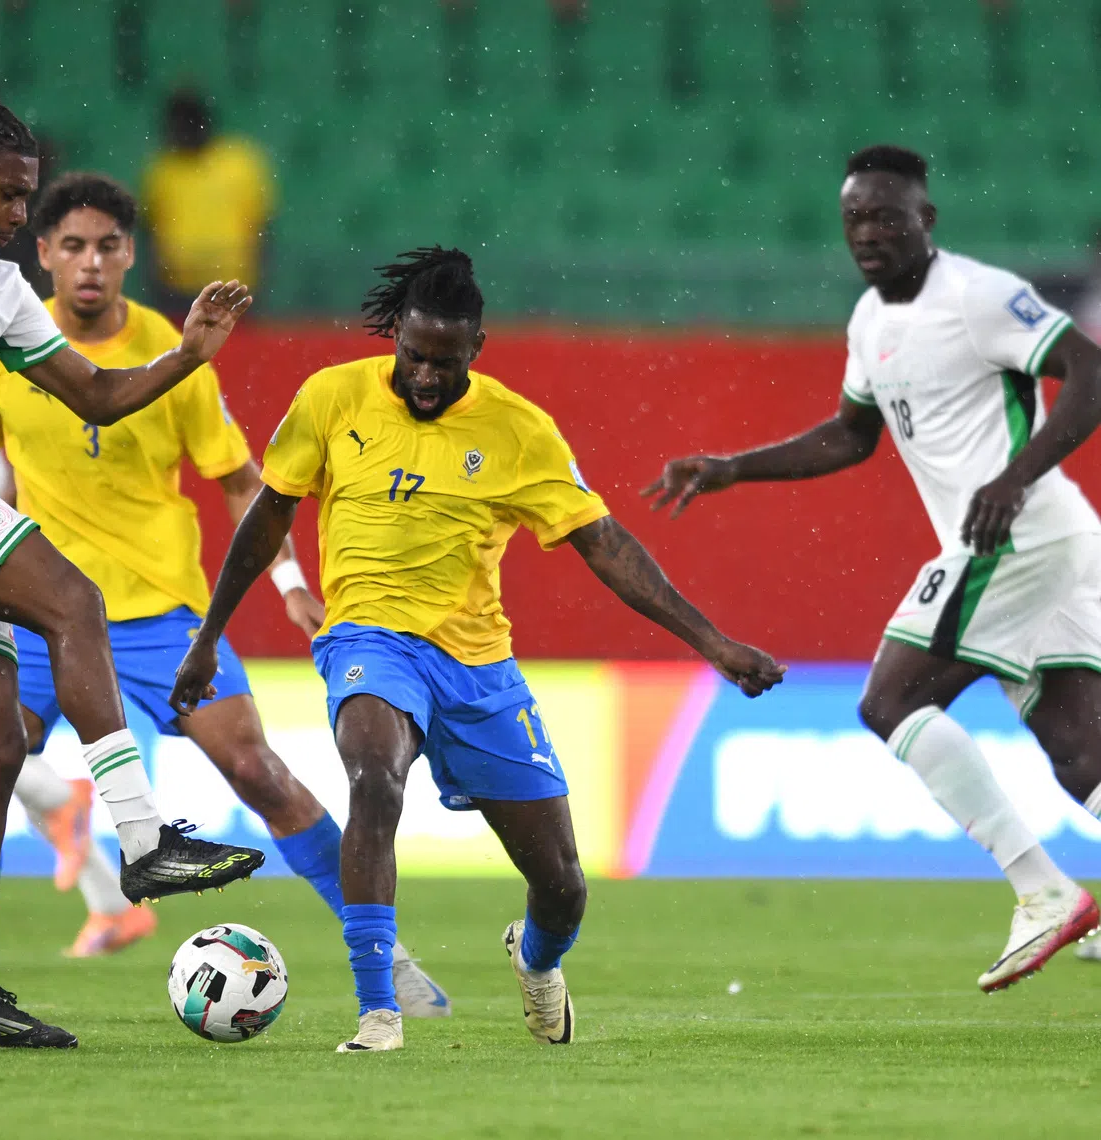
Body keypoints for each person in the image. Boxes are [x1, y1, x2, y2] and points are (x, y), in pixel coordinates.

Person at [170, 246, 786, 1053]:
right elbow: (267, 520)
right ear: (396, 337)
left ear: (477, 350)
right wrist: (209, 636)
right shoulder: (331, 398)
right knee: (372, 775)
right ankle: (379, 1012)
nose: (427, 377)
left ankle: (536, 965)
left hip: (475, 667)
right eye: (415, 356)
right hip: (370, 638)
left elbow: (604, 546)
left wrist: (712, 642)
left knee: (561, 887)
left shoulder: (517, 431)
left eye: (446, 363)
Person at [0, 171, 451, 1015]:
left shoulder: (168, 347)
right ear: (41, 253)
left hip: (161, 616)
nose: (88, 264)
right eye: (71, 246)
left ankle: (388, 958)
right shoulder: (0, 338)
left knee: (259, 770)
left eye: (107, 247)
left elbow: (238, 477)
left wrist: (292, 580)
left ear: (129, 256)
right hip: (42, 616)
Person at [645, 144, 1101, 993]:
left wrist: (1014, 475)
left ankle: (1042, 891)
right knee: (1081, 750)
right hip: (1040, 541)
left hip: (1017, 533)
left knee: (890, 700)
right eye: (855, 216)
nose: (868, 230)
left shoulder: (975, 296)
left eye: (887, 214)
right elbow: (852, 436)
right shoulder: (869, 321)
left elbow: (1092, 371)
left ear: (926, 219)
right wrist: (732, 466)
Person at [0, 96, 264, 1050]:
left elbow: (92, 394)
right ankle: (142, 842)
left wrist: (184, 356)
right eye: (7, 196)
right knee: (73, 599)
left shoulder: (2, 290)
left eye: (27, 195)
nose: (19, 214)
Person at [142, 89, 275, 312]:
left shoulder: (240, 162)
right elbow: (150, 231)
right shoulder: (161, 169)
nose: (181, 132)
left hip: (233, 287)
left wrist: (261, 278)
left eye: (186, 124)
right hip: (177, 288)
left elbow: (263, 225)